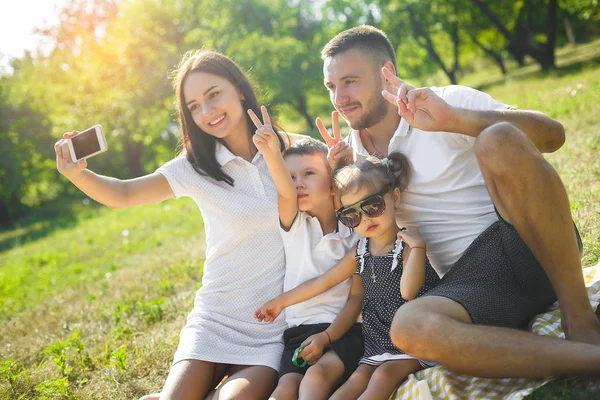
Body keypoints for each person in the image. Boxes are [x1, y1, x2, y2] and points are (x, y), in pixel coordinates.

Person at [319, 24, 600, 379]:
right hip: (470, 288)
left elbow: (552, 135)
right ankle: (589, 362)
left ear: (385, 73)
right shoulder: (352, 160)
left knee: (497, 138)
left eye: (349, 81)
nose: (339, 97)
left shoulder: (443, 101)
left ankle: (580, 321)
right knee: (408, 327)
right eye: (331, 86)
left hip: (529, 244)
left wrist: (456, 120)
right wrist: (341, 178)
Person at [54, 50, 297, 399]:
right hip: (215, 319)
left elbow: (344, 177)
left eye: (213, 95)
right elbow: (123, 194)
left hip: (269, 329)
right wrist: (79, 175)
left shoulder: (290, 149)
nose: (207, 112)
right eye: (194, 106)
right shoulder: (194, 167)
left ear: (240, 90)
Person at [256, 153, 441, 400]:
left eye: (373, 206)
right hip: (376, 343)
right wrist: (280, 302)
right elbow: (326, 282)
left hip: (411, 339)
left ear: (394, 197)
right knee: (354, 382)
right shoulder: (360, 250)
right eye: (352, 215)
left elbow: (408, 292)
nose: (365, 219)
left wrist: (418, 249)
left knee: (382, 378)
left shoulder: (407, 245)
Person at [249, 109, 364, 400]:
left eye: (309, 173)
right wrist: (271, 153)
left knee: (317, 377)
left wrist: (344, 166)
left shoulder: (354, 227)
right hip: (299, 332)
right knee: (285, 390)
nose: (298, 182)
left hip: (345, 329)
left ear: (332, 182)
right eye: (292, 176)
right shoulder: (294, 224)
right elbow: (286, 192)